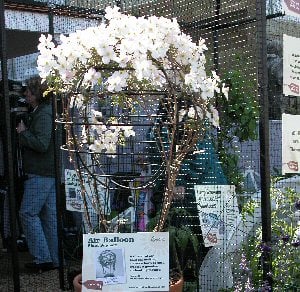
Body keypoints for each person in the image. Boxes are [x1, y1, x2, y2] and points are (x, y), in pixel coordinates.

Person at [16, 76, 58, 272]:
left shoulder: (43, 114)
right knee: (48, 217)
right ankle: (53, 259)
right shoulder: (45, 111)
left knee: (27, 213)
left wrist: (24, 133)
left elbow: (42, 144)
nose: (25, 94)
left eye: (29, 92)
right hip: (48, 172)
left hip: (40, 173)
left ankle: (42, 258)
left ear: (37, 94)